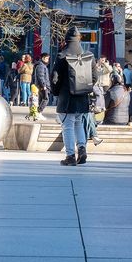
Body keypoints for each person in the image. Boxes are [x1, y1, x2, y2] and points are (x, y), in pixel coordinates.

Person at [52, 27, 93, 166]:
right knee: (79, 123)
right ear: (79, 38)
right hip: (82, 97)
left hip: (66, 97)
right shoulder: (88, 56)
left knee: (67, 126)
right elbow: (95, 77)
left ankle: (70, 156)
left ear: (66, 39)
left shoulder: (62, 55)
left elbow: (55, 78)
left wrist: (56, 92)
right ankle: (82, 148)